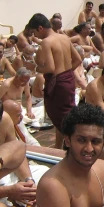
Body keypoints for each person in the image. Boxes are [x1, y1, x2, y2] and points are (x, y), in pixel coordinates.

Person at [27, 13, 82, 149]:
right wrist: (67, 72)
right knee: (64, 117)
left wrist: (34, 67)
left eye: (35, 32)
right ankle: (58, 147)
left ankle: (75, 146)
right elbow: (78, 60)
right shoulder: (64, 38)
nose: (36, 37)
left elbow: (50, 68)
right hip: (68, 80)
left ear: (40, 28)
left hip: (58, 84)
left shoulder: (46, 42)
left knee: (62, 119)